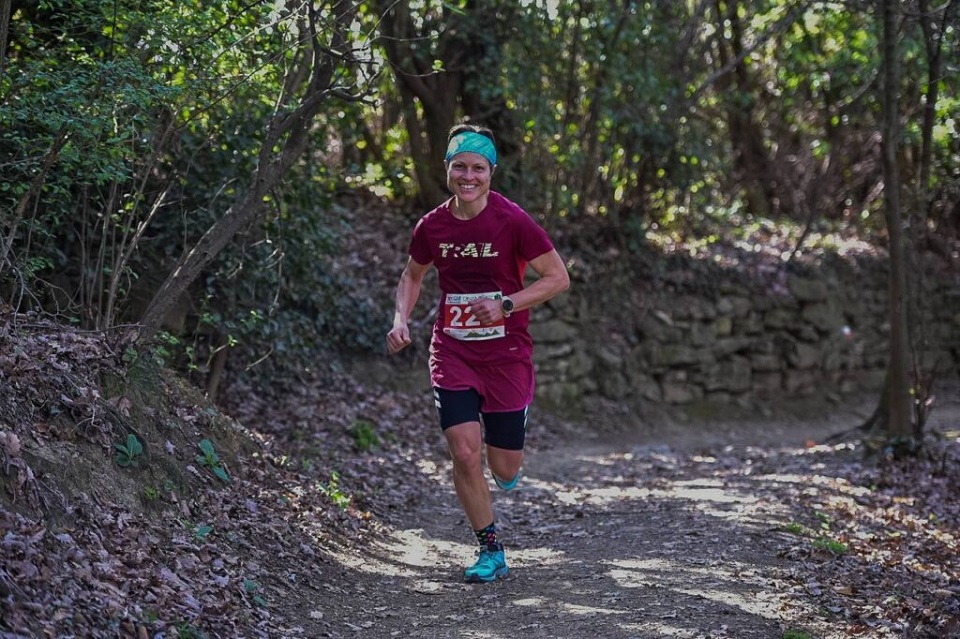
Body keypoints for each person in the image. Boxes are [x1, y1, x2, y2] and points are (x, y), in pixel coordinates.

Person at [386, 123, 570, 583]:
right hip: (452, 351)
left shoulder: (512, 221)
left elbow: (557, 278)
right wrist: (400, 320)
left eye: (478, 168)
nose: (469, 176)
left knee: (503, 466)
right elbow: (413, 275)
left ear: (491, 172)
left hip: (507, 354)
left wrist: (506, 303)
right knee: (465, 454)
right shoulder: (432, 225)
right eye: (460, 167)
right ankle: (491, 549)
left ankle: (508, 458)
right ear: (447, 169)